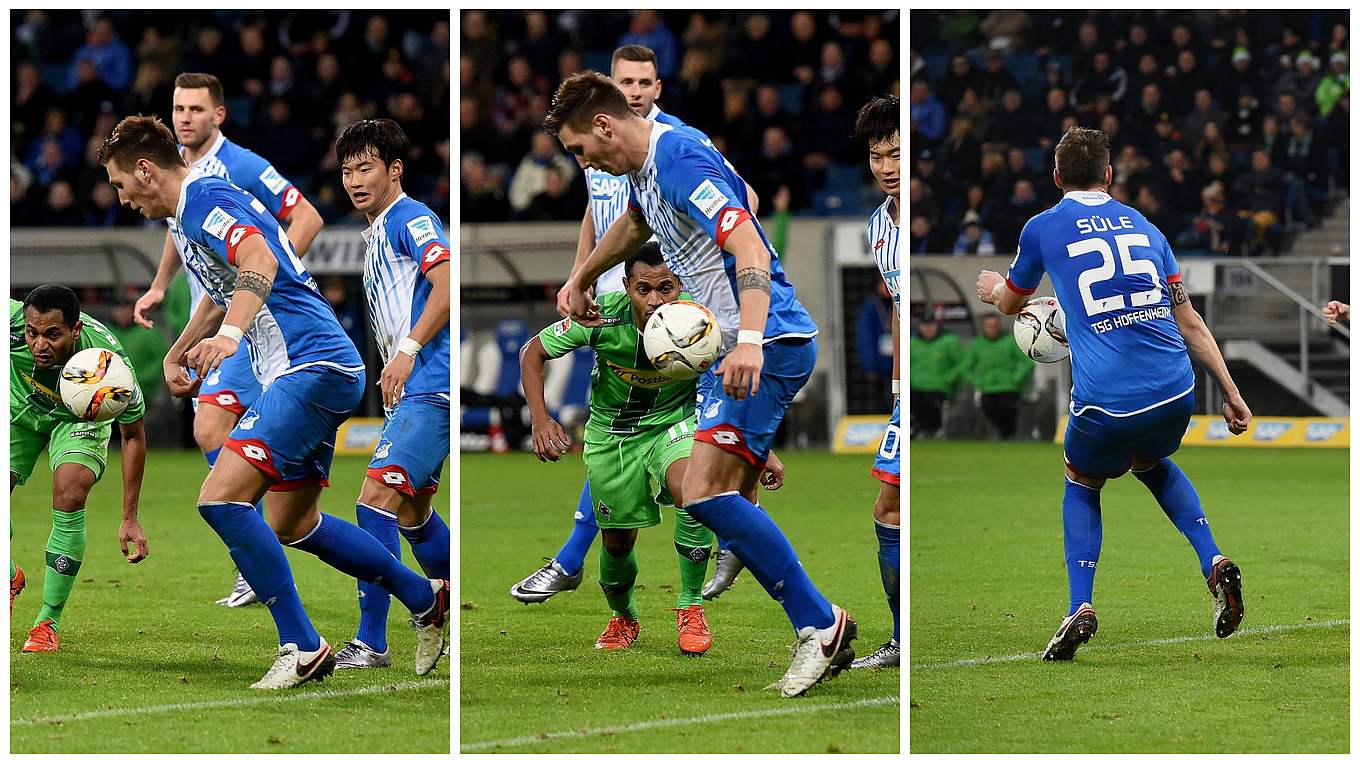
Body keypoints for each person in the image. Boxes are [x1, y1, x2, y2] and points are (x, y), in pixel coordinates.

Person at [99, 114, 447, 688]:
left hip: (308, 364)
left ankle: (302, 645)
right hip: (315, 367)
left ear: (144, 169)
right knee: (292, 521)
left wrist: (228, 339)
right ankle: (423, 596)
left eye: (119, 183)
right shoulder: (190, 217)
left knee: (219, 499)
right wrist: (180, 349)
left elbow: (257, 263)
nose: (121, 197)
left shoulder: (206, 196)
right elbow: (226, 287)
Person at [547, 70, 855, 697]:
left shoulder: (679, 155)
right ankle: (748, 535)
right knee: (712, 493)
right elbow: (636, 223)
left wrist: (747, 339)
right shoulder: (643, 171)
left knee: (704, 493)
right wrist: (582, 275)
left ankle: (819, 623)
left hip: (765, 342)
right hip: (733, 348)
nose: (582, 161)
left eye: (580, 149)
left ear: (604, 126)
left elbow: (748, 241)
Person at [975, 126, 1251, 662]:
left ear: (1056, 178)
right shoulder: (1147, 228)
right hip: (1177, 389)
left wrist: (991, 291)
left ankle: (1080, 605)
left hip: (1108, 399)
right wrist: (1231, 391)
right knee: (1150, 460)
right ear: (1109, 175)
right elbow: (1187, 317)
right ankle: (1213, 561)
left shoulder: (1042, 227)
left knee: (1081, 480)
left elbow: (1012, 302)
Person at [511, 44, 762, 606]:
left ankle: (719, 556)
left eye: (643, 82)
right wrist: (580, 277)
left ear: (656, 89)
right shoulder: (605, 151)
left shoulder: (669, 145)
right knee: (616, 423)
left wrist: (699, 268)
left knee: (683, 438)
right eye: (625, 81)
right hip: (613, 287)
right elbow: (607, 217)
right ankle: (586, 558)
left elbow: (741, 199)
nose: (634, 91)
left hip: (673, 293)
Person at [131, 72, 325, 608]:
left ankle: (252, 548)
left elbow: (305, 215)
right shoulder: (175, 175)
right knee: (215, 429)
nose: (185, 117)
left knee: (212, 426)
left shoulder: (241, 166)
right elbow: (180, 233)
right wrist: (159, 284)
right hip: (220, 319)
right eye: (178, 108)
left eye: (196, 108)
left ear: (219, 115)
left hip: (250, 320)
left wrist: (275, 274)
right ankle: (255, 543)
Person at [522, 244, 719, 654]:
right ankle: (624, 617)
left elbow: (729, 380)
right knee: (616, 543)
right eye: (643, 289)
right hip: (614, 437)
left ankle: (691, 606)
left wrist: (758, 446)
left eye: (665, 288)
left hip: (675, 425)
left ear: (679, 284)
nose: (655, 300)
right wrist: (541, 420)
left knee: (694, 494)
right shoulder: (601, 317)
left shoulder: (698, 321)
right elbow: (532, 353)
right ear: (627, 287)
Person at [333, 118, 452, 669]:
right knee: (413, 513)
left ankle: (372, 642)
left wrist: (405, 352)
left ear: (394, 169)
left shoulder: (411, 217)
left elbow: (448, 283)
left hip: (431, 383)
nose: (354, 180)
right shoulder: (379, 228)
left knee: (373, 503)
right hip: (416, 387)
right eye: (347, 170)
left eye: (366, 168)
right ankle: (446, 597)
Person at [11, 286, 151, 651]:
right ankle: (10, 577)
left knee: (70, 491)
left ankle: (47, 622)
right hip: (18, 412)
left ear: (75, 330)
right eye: (32, 333)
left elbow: (133, 437)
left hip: (76, 421)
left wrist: (130, 516)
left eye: (52, 334)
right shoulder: (11, 322)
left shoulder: (111, 369)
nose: (39, 344)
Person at [849, 95, 900, 670]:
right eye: (876, 155)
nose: (886, 165)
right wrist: (895, 395)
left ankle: (900, 639)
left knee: (889, 509)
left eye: (896, 153)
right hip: (900, 393)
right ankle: (899, 637)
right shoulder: (877, 227)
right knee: (888, 510)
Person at [963, 313, 1033, 439]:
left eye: (995, 325)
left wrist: (1016, 378)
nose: (992, 328)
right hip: (987, 388)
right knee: (988, 406)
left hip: (1008, 387)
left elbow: (1028, 363)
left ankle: (1008, 434)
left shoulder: (1010, 341)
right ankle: (1003, 433)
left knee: (1007, 407)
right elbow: (966, 368)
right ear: (983, 327)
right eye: (988, 326)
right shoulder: (977, 344)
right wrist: (979, 381)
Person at [909, 317, 963, 438]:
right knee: (914, 401)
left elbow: (962, 363)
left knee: (931, 401)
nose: (928, 329)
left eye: (931, 325)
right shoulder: (913, 342)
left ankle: (933, 429)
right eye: (925, 325)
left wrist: (949, 378)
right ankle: (920, 429)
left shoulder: (949, 341)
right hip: (917, 385)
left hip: (940, 386)